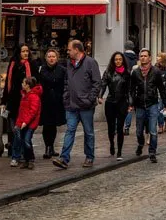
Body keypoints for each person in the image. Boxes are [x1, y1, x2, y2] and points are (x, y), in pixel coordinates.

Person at [53, 39, 101, 170]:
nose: (68, 52)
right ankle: (64, 158)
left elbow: (97, 83)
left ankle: (89, 157)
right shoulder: (69, 64)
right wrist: (66, 96)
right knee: (70, 130)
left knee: (88, 132)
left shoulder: (90, 62)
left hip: (86, 105)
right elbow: (67, 82)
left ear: (76, 50)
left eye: (69, 49)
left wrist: (90, 99)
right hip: (71, 105)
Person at [129, 47, 166, 163]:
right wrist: (131, 103)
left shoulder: (155, 72)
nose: (143, 58)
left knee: (153, 130)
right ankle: (140, 143)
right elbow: (131, 89)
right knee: (138, 131)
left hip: (152, 104)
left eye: (145, 56)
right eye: (141, 56)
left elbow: (161, 89)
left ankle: (152, 152)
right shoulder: (135, 72)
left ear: (150, 58)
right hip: (140, 104)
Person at [1, 44, 39, 156]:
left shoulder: (32, 64)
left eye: (27, 51)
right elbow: (8, 81)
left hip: (26, 100)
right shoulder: (13, 64)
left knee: (24, 127)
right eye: (23, 51)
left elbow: (37, 83)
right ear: (18, 53)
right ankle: (14, 150)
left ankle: (24, 153)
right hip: (13, 100)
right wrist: (4, 101)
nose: (26, 53)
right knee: (14, 128)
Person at [98, 51, 131, 158]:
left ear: (123, 61)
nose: (118, 61)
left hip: (122, 103)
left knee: (120, 127)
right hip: (110, 102)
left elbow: (129, 90)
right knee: (111, 127)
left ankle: (119, 151)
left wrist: (130, 103)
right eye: (116, 59)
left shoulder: (127, 73)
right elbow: (103, 85)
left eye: (120, 59)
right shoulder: (108, 72)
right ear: (113, 61)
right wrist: (100, 96)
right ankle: (112, 143)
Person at [39, 48, 66, 159]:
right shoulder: (42, 70)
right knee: (46, 125)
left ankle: (52, 147)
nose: (51, 58)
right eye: (49, 56)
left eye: (53, 56)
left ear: (57, 58)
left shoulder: (62, 70)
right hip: (45, 101)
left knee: (54, 125)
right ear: (46, 58)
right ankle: (47, 147)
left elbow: (63, 83)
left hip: (57, 101)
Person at [10, 75, 42, 169]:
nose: (22, 84)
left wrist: (25, 122)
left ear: (27, 85)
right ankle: (26, 160)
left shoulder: (34, 97)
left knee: (27, 141)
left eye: (23, 83)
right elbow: (22, 112)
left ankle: (31, 159)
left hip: (30, 124)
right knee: (24, 141)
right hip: (24, 123)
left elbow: (33, 112)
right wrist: (18, 124)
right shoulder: (24, 96)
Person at [122, 40, 138, 137]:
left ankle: (122, 126)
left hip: (125, 84)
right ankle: (130, 126)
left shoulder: (123, 58)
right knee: (132, 105)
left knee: (125, 105)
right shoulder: (136, 58)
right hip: (134, 84)